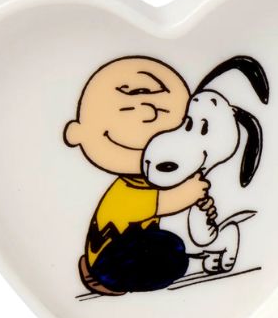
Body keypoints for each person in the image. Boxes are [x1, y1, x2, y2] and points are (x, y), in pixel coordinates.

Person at [64, 56, 212, 295]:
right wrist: (189, 193)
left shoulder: (144, 181)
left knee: (168, 247)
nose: (147, 113)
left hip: (122, 250)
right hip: (109, 260)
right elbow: (160, 203)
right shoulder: (128, 189)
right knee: (171, 251)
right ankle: (108, 280)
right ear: (76, 134)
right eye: (127, 108)